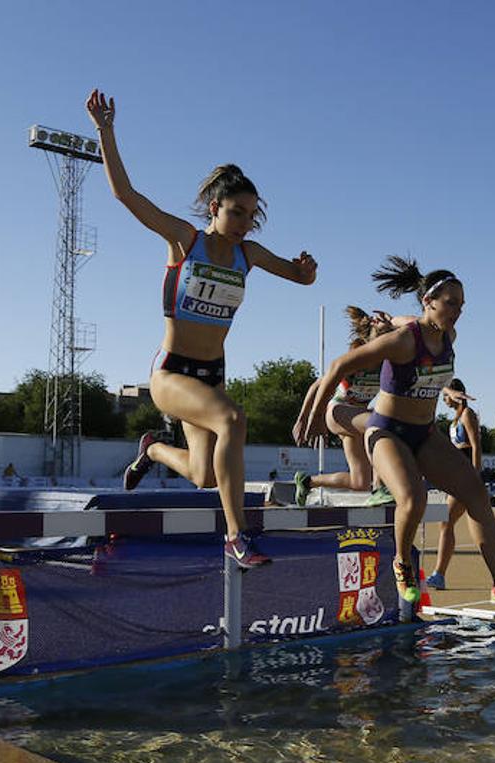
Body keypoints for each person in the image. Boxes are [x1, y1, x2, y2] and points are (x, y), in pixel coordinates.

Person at [85, 89, 317, 567]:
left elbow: (298, 277)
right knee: (233, 420)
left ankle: (152, 450)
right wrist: (106, 132)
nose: (244, 224)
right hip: (172, 374)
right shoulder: (183, 240)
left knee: (202, 475)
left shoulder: (247, 255)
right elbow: (126, 195)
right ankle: (236, 536)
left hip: (212, 374)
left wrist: (306, 270)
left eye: (252, 216)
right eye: (236, 213)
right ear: (214, 207)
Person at [301, 256, 495, 608]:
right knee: (413, 498)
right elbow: (337, 366)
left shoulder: (448, 336)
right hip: (386, 432)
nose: (458, 311)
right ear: (429, 301)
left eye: (462, 304)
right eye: (451, 303)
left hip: (425, 433)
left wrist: (448, 391)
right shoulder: (402, 342)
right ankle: (402, 563)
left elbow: (413, 323)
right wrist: (315, 416)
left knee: (476, 493)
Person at [291, 307, 402, 506]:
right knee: (381, 423)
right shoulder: (357, 359)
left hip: (356, 420)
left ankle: (307, 481)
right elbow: (317, 386)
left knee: (359, 481)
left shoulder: (389, 364)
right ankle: (380, 486)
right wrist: (304, 418)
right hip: (338, 411)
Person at [425, 379, 495, 589]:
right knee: (486, 526)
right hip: (457, 476)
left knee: (447, 523)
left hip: (466, 478)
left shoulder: (467, 415)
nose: (444, 399)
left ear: (456, 394)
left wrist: (475, 475)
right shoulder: (454, 420)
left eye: (446, 396)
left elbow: (476, 446)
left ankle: (439, 574)